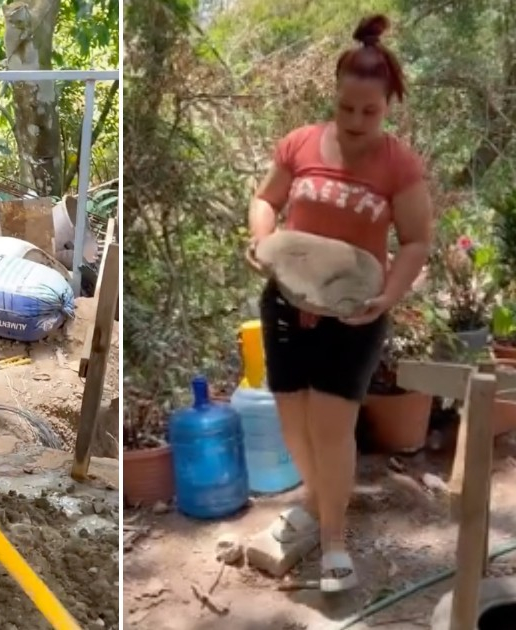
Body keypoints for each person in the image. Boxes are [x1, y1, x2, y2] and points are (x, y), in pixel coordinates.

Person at [245, 14, 434, 594]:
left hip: (354, 314)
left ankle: (333, 542)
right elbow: (265, 199)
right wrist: (260, 240)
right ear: (334, 94)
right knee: (291, 421)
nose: (356, 122)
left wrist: (386, 298)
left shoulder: (398, 164)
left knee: (331, 429)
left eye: (370, 112)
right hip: (285, 304)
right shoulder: (301, 143)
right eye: (347, 108)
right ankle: (315, 499)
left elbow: (417, 241)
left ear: (387, 106)